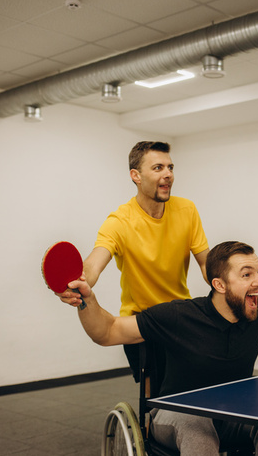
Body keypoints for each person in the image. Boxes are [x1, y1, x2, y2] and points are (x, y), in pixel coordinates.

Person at [66, 241, 258, 456]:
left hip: (231, 415)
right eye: (247, 274)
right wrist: (86, 301)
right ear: (220, 285)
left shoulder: (257, 313)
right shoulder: (178, 316)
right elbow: (107, 331)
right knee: (197, 424)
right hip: (174, 415)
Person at [59, 140, 210, 383]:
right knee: (155, 401)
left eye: (170, 167)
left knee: (194, 387)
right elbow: (94, 264)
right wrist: (78, 280)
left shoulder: (187, 210)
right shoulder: (119, 221)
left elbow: (206, 263)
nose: (168, 174)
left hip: (180, 315)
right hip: (142, 321)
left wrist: (225, 279)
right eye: (158, 168)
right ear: (136, 176)